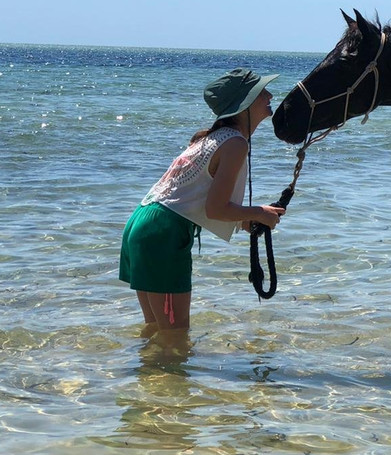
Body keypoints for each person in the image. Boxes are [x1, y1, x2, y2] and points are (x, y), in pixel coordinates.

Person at [119, 68, 286, 334]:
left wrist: (250, 219)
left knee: (156, 329)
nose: (270, 94)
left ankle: (147, 374)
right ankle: (165, 374)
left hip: (142, 222)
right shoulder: (235, 144)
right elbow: (215, 209)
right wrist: (259, 212)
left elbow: (193, 202)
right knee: (175, 335)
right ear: (244, 104)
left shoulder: (211, 138)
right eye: (260, 92)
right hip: (164, 232)